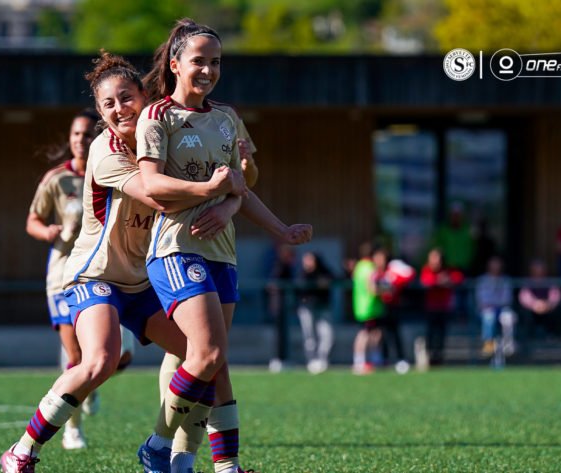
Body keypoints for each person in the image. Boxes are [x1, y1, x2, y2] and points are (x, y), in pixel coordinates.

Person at [0, 50, 247, 473]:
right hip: (94, 276)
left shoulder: (161, 138)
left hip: (142, 281)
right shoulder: (105, 149)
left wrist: (232, 194)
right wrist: (217, 188)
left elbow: (236, 176)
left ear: (144, 95)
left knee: (208, 360)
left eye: (126, 98)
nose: (119, 109)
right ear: (99, 113)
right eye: (108, 104)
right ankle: (23, 451)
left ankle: (198, 462)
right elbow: (157, 195)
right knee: (100, 360)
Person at [136, 19, 312, 473]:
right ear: (175, 64)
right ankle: (157, 445)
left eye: (216, 62)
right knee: (208, 355)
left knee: (216, 364)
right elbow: (153, 186)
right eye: (199, 61)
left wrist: (281, 229)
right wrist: (209, 191)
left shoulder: (227, 118)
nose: (208, 70)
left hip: (222, 253)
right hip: (176, 248)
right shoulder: (158, 117)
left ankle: (222, 466)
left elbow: (240, 187)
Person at [26, 108, 100, 450]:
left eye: (87, 135)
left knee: (112, 356)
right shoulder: (56, 179)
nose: (81, 141)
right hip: (62, 276)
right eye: (76, 135)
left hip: (101, 272)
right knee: (77, 356)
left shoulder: (110, 172)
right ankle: (72, 429)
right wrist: (49, 231)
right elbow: (33, 221)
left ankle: (91, 384)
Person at [420, 248, 464, 366]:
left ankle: (438, 359)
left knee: (441, 334)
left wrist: (448, 280)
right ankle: (429, 357)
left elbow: (458, 277)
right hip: (431, 307)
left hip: (444, 307)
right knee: (430, 334)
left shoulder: (447, 270)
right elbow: (426, 281)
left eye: (437, 258)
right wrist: (438, 281)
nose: (435, 261)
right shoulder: (427, 270)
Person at [296, 251, 334, 374]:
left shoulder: (324, 272)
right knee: (309, 336)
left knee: (326, 333)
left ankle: (323, 359)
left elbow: (333, 278)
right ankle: (311, 360)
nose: (307, 263)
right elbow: (298, 288)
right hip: (306, 307)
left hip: (322, 307)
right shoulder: (302, 274)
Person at [351, 243, 384, 375]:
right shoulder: (371, 268)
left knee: (372, 332)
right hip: (370, 306)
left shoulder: (359, 266)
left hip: (360, 305)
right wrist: (387, 289)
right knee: (365, 334)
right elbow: (373, 288)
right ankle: (361, 362)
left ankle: (369, 360)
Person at [474, 256, 516, 357]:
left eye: (498, 264)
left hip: (502, 309)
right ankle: (488, 343)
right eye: (493, 264)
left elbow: (507, 298)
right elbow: (481, 298)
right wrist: (492, 304)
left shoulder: (506, 280)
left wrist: (495, 303)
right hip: (486, 309)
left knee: (508, 316)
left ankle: (508, 344)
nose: (495, 267)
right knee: (489, 316)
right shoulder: (482, 280)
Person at [265, 244, 295, 372]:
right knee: (279, 334)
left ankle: (282, 358)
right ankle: (278, 359)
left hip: (282, 304)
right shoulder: (281, 266)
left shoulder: (285, 266)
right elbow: (273, 284)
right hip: (280, 303)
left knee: (283, 333)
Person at [519, 260, 561, 339]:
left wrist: (548, 304)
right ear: (532, 271)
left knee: (557, 311)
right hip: (532, 309)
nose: (539, 272)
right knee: (525, 314)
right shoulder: (527, 282)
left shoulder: (550, 282)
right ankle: (529, 337)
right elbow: (524, 297)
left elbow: (556, 296)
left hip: (547, 308)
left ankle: (552, 335)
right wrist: (534, 304)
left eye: (541, 270)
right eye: (536, 270)